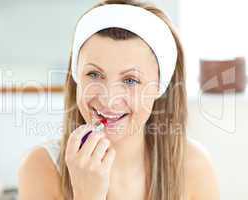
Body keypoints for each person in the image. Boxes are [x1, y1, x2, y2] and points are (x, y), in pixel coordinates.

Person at [18, 1, 220, 200]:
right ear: (76, 76)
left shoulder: (193, 167)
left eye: (130, 80)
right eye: (94, 74)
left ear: (160, 87)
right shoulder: (41, 168)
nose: (108, 99)